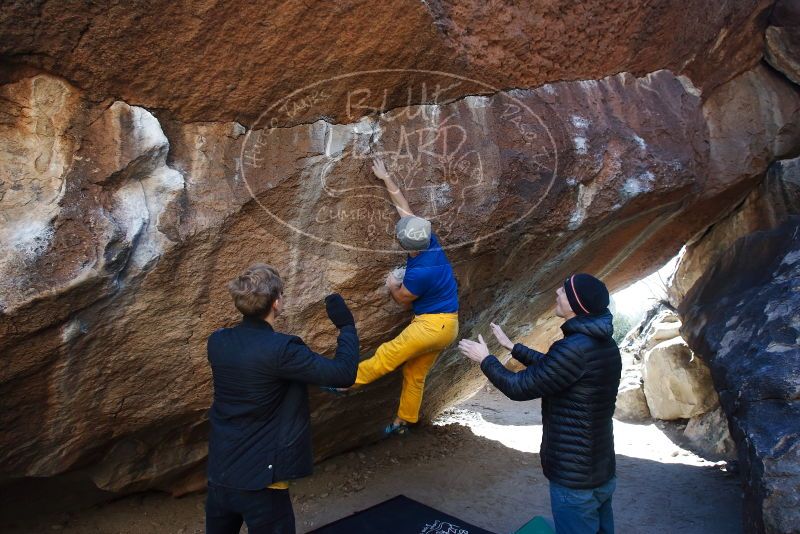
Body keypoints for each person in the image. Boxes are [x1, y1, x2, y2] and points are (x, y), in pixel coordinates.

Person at [459, 273, 622, 534]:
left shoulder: (574, 349)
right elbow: (555, 369)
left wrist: (486, 360)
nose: (557, 291)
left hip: (573, 479)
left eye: (565, 291)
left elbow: (518, 387)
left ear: (577, 305)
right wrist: (512, 347)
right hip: (599, 471)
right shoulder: (603, 344)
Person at [205, 263, 359, 533]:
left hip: (221, 473)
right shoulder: (283, 350)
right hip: (262, 481)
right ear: (276, 303)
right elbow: (344, 374)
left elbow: (260, 378)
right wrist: (346, 326)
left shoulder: (217, 341)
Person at [337, 158, 459, 436]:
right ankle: (405, 420)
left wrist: (393, 284)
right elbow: (404, 209)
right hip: (448, 326)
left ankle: (347, 381)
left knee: (388, 354)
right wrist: (385, 177)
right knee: (414, 374)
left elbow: (403, 299)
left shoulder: (420, 274)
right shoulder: (429, 241)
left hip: (430, 326)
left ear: (405, 245)